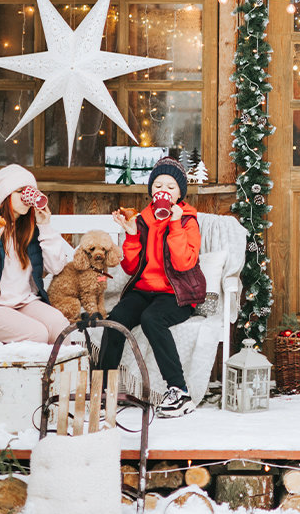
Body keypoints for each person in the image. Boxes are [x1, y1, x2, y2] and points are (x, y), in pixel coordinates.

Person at [100, 157, 210, 418]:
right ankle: (103, 388)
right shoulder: (142, 219)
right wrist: (130, 234)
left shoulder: (187, 221)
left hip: (178, 292)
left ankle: (179, 392)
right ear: (151, 191)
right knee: (115, 320)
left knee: (152, 319)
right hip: (144, 290)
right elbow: (131, 268)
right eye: (158, 185)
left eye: (171, 187)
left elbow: (184, 264)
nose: (164, 191)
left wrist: (174, 223)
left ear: (180, 193)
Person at [0, 164, 71, 343]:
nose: (27, 197)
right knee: (37, 334)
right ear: (6, 195)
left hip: (24, 302)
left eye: (30, 192)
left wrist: (45, 226)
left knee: (61, 327)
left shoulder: (31, 225)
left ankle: (62, 371)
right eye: (20, 191)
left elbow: (55, 267)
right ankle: (30, 371)